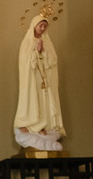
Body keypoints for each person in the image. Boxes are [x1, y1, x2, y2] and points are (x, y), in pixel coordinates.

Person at [14, 13, 65, 153]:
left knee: (45, 102)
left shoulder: (47, 42)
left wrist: (43, 52)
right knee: (32, 101)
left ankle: (44, 126)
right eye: (40, 25)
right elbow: (25, 63)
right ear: (34, 26)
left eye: (44, 26)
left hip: (45, 80)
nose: (42, 28)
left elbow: (52, 60)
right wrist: (36, 51)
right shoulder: (27, 42)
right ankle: (31, 125)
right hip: (32, 80)